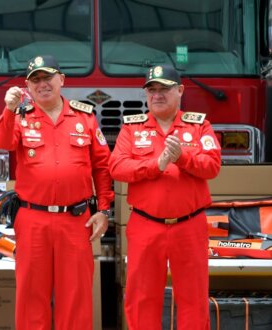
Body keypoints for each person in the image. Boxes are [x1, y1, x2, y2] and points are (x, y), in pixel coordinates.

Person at [0, 55, 112, 329]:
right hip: (32, 218)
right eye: (35, 80)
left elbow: (102, 167)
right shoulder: (20, 117)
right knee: (31, 297)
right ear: (27, 85)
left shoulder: (85, 117)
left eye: (48, 78)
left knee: (76, 296)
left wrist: (104, 210)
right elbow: (2, 142)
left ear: (62, 80)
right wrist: (9, 109)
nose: (42, 84)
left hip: (76, 219)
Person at [109, 65, 221, 329]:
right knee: (142, 298)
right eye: (152, 90)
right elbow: (117, 167)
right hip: (146, 225)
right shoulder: (131, 129)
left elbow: (213, 166)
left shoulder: (199, 125)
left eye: (164, 89)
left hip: (189, 225)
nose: (157, 95)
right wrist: (154, 166)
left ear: (180, 91)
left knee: (193, 298)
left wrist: (182, 157)